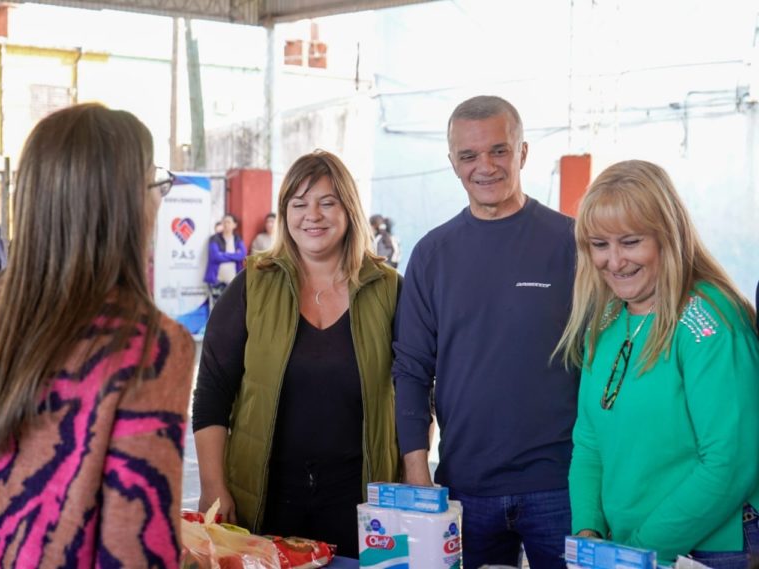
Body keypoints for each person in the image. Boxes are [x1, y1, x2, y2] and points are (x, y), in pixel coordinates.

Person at [0, 103, 195, 567]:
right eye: (155, 184)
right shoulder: (148, 346)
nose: (159, 201)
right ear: (126, 203)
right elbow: (136, 548)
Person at [393, 95, 579, 569]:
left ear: (522, 153)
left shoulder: (571, 242)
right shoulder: (432, 254)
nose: (485, 166)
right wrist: (418, 470)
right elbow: (412, 369)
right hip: (465, 488)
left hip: (561, 486)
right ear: (452, 162)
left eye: (498, 150)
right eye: (469, 155)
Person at [192, 149, 400, 558]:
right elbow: (212, 393)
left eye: (327, 202)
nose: (313, 215)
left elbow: (415, 392)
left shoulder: (389, 290)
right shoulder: (252, 285)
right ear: (284, 213)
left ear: (350, 209)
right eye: (299, 204)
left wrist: (412, 481)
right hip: (265, 498)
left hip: (360, 500)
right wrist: (213, 485)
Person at [555, 159, 759, 567]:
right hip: (629, 549)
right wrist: (588, 530)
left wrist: (641, 552)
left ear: (668, 236)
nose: (613, 262)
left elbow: (730, 464)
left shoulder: (710, 321)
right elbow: (590, 441)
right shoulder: (610, 317)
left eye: (630, 242)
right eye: (599, 245)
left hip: (706, 549)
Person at [204, 213, 247, 306]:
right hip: (217, 279)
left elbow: (242, 255)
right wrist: (234, 255)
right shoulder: (214, 238)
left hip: (233, 280)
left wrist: (223, 254)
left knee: (232, 307)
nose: (226, 224)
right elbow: (215, 256)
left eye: (228, 222)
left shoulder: (237, 239)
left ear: (234, 225)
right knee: (216, 307)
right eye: (224, 222)